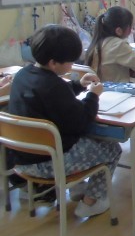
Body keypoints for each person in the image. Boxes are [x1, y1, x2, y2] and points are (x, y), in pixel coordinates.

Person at [8, 25, 121, 218]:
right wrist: (93, 96)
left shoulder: (23, 75)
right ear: (53, 63)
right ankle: (91, 202)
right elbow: (81, 122)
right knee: (112, 148)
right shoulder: (54, 86)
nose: (72, 65)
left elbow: (54, 99)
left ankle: (78, 187)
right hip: (48, 163)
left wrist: (79, 85)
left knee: (79, 142)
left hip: (20, 159)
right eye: (70, 61)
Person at [85, 6, 135, 82]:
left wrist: (134, 54)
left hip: (100, 86)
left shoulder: (98, 41)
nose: (132, 30)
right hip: (115, 88)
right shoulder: (118, 45)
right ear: (119, 31)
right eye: (131, 27)